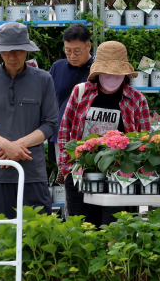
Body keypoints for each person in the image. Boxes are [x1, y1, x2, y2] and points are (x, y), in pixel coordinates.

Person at [56, 40, 152, 225]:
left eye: (116, 73)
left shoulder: (136, 99)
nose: (111, 76)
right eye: (106, 72)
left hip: (120, 176)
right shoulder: (81, 93)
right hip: (82, 175)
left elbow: (144, 139)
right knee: (82, 230)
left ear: (125, 74)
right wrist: (66, 170)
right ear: (97, 72)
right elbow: (64, 132)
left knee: (115, 230)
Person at [0, 22, 59, 218]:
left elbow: (50, 123)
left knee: (38, 236)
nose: (12, 56)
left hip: (32, 172)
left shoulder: (43, 79)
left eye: (18, 50)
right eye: (6, 51)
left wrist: (17, 146)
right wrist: (5, 145)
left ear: (27, 51)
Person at [47, 24, 93, 184]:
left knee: (92, 181)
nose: (72, 55)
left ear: (89, 46)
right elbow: (49, 100)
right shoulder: (57, 67)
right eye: (68, 50)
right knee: (69, 184)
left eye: (77, 51)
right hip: (62, 136)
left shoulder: (98, 69)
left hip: (90, 136)